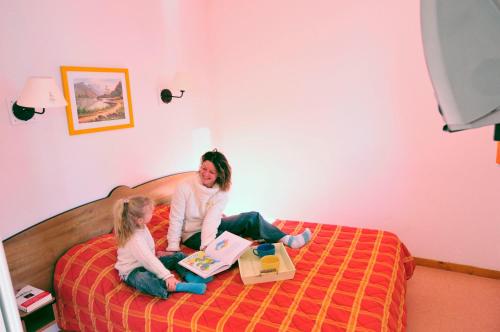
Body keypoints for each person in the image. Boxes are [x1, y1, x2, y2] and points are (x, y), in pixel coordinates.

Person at [164, 149, 311, 253]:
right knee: (231, 244)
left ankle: (286, 239)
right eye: (204, 168)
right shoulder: (184, 187)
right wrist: (173, 246)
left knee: (252, 217)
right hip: (192, 233)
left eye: (211, 171)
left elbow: (212, 219)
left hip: (213, 224)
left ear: (219, 175)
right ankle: (250, 240)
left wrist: (210, 240)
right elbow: (176, 218)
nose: (205, 174)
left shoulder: (221, 191)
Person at [113, 196, 212, 299]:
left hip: (148, 261)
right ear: (140, 220)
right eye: (150, 212)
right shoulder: (134, 239)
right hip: (134, 269)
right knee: (144, 279)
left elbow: (148, 253)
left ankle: (190, 277)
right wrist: (167, 276)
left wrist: (158, 255)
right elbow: (148, 260)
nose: (153, 212)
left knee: (178, 256)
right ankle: (175, 286)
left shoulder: (141, 226)